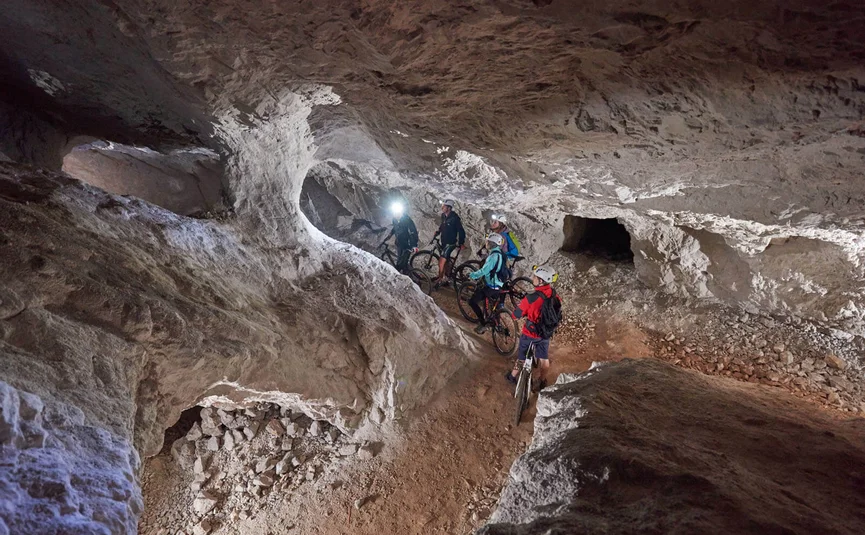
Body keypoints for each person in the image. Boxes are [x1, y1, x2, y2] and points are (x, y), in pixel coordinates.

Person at [505, 265, 562, 391]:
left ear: (541, 280)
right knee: (544, 358)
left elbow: (517, 314)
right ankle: (542, 380)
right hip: (545, 333)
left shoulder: (531, 298)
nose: (533, 278)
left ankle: (512, 376)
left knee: (521, 357)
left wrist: (515, 316)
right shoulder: (554, 294)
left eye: (535, 277)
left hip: (530, 333)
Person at [467, 233, 507, 335]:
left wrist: (473, 275)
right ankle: (497, 324)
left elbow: (484, 271)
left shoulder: (493, 256)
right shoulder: (500, 253)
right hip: (499, 284)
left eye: (488, 242)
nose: (486, 243)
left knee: (472, 301)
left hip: (491, 286)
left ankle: (483, 324)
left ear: (492, 243)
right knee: (493, 306)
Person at [432, 199, 466, 284]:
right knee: (445, 260)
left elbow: (461, 231)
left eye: (444, 206)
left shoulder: (455, 218)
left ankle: (440, 278)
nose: (442, 207)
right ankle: (447, 276)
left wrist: (461, 243)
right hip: (444, 241)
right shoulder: (443, 216)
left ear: (449, 208)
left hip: (450, 243)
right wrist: (438, 231)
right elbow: (442, 225)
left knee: (441, 261)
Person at [380, 201, 418, 273]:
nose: (396, 214)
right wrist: (389, 236)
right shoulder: (394, 219)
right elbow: (395, 228)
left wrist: (414, 245)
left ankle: (405, 274)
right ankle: (405, 273)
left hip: (407, 245)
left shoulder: (407, 220)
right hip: (399, 243)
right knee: (400, 260)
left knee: (400, 264)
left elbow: (413, 232)